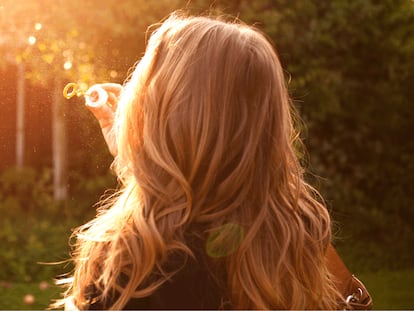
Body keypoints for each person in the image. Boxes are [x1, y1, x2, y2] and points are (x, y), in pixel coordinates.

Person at [55, 11, 343, 310]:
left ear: (155, 118)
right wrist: (135, 157)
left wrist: (143, 154)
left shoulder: (130, 260)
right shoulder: (298, 234)